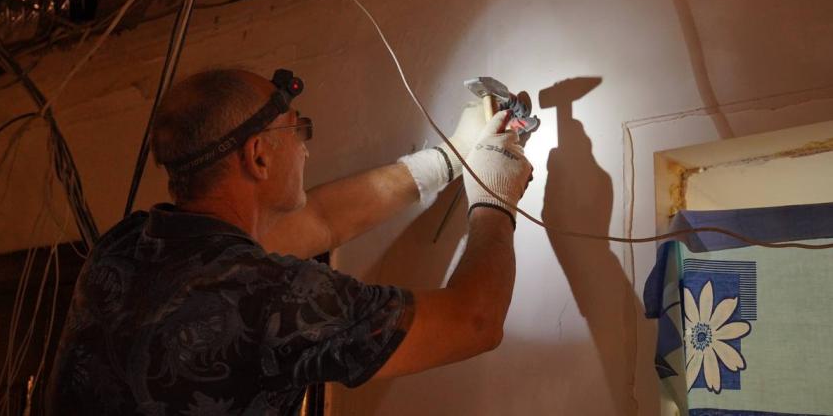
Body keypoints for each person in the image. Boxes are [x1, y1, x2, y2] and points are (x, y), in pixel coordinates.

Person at [46, 67, 533, 415]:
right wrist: (494, 194)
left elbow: (322, 221)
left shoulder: (125, 248)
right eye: (298, 129)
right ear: (258, 156)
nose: (305, 149)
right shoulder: (273, 298)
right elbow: (474, 321)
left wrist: (450, 157)